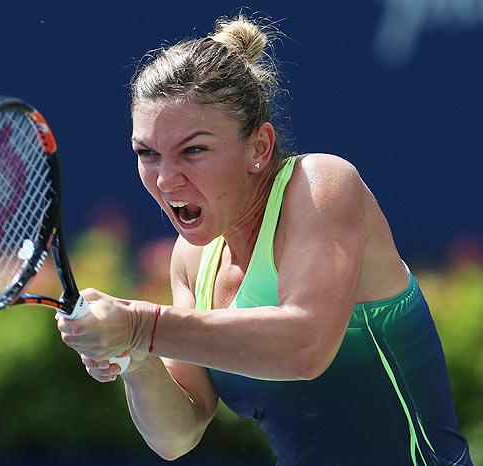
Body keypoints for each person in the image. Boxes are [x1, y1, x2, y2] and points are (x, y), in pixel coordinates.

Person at [55, 14, 473, 466]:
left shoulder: (322, 185)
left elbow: (305, 347)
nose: (166, 180)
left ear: (259, 147)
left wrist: (140, 325)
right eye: (147, 154)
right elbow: (178, 433)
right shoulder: (191, 260)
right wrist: (136, 358)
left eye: (193, 150)